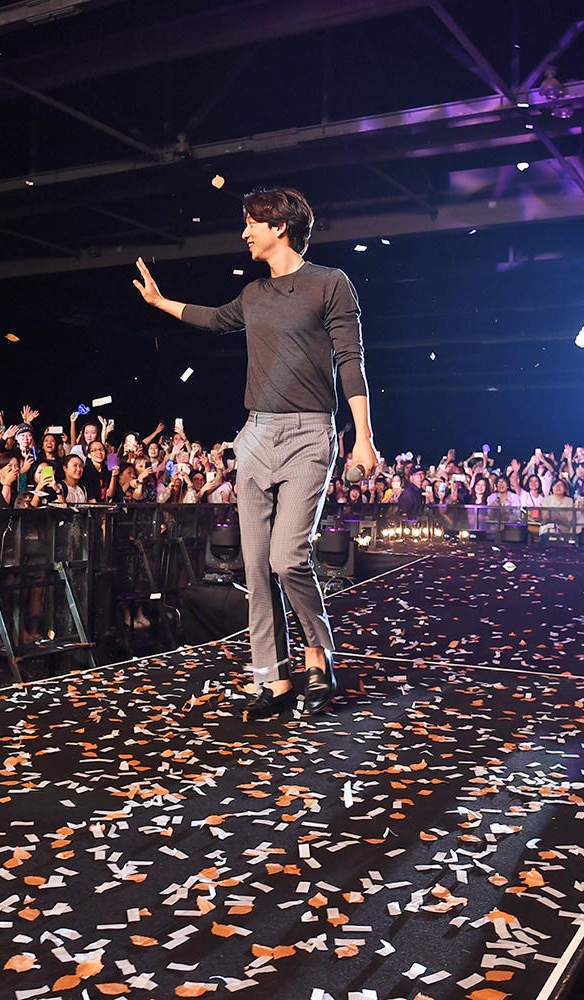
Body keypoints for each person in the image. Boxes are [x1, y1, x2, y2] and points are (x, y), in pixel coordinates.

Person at [134, 186, 379, 721]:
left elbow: (350, 360)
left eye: (251, 223)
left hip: (310, 435)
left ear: (279, 226)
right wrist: (161, 303)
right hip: (255, 436)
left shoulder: (330, 284)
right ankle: (272, 677)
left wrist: (363, 435)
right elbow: (215, 318)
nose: (244, 232)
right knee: (255, 565)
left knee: (287, 557)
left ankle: (318, 655)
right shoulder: (254, 294)